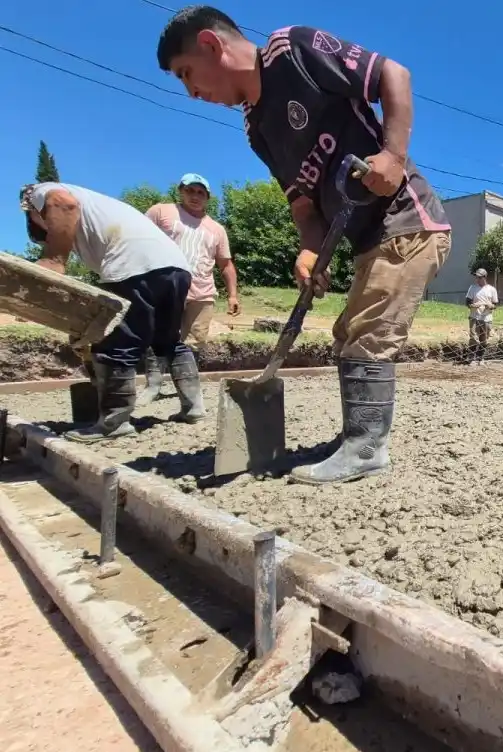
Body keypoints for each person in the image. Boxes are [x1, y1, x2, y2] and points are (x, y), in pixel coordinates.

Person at [157, 6, 451, 486]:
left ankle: (365, 448)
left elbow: (393, 74)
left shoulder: (291, 50)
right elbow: (303, 206)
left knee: (369, 332)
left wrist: (393, 155)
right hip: (366, 237)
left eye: (188, 74)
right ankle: (360, 437)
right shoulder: (257, 128)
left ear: (212, 45)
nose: (192, 92)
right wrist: (310, 251)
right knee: (348, 331)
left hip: (407, 217)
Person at [20, 182, 205, 440]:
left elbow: (64, 204)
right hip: (175, 267)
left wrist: (53, 259)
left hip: (132, 264)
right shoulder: (100, 206)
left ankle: (114, 423)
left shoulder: (40, 192)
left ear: (31, 210)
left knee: (114, 342)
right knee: (168, 340)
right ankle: (194, 408)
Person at [140, 172, 239, 405]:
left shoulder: (216, 229)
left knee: (194, 340)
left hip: (201, 291)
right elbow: (139, 240)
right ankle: (153, 385)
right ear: (180, 191)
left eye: (200, 192)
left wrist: (233, 294)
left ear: (207, 198)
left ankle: (187, 390)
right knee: (157, 337)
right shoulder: (161, 212)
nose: (195, 196)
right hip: (164, 287)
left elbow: (225, 263)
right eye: (190, 191)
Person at [465, 268, 498, 365]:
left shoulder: (491, 289)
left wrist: (490, 306)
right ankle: (471, 358)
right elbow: (467, 302)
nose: (477, 279)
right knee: (473, 337)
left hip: (486, 318)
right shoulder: (472, 288)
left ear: (484, 277)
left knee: (484, 338)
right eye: (476, 277)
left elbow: (495, 304)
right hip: (474, 316)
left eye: (479, 277)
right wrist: (473, 305)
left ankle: (481, 358)